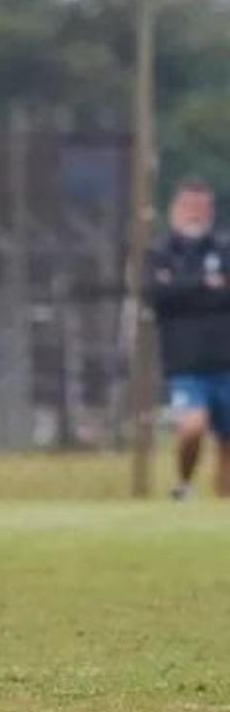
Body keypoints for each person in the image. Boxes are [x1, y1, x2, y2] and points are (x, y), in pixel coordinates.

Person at [147, 178, 230, 499]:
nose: (195, 213)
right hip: (186, 364)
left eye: (201, 207)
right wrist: (208, 285)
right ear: (175, 210)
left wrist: (183, 287)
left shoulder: (223, 249)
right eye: (189, 207)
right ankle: (184, 485)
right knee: (192, 427)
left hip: (224, 360)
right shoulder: (160, 252)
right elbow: (159, 296)